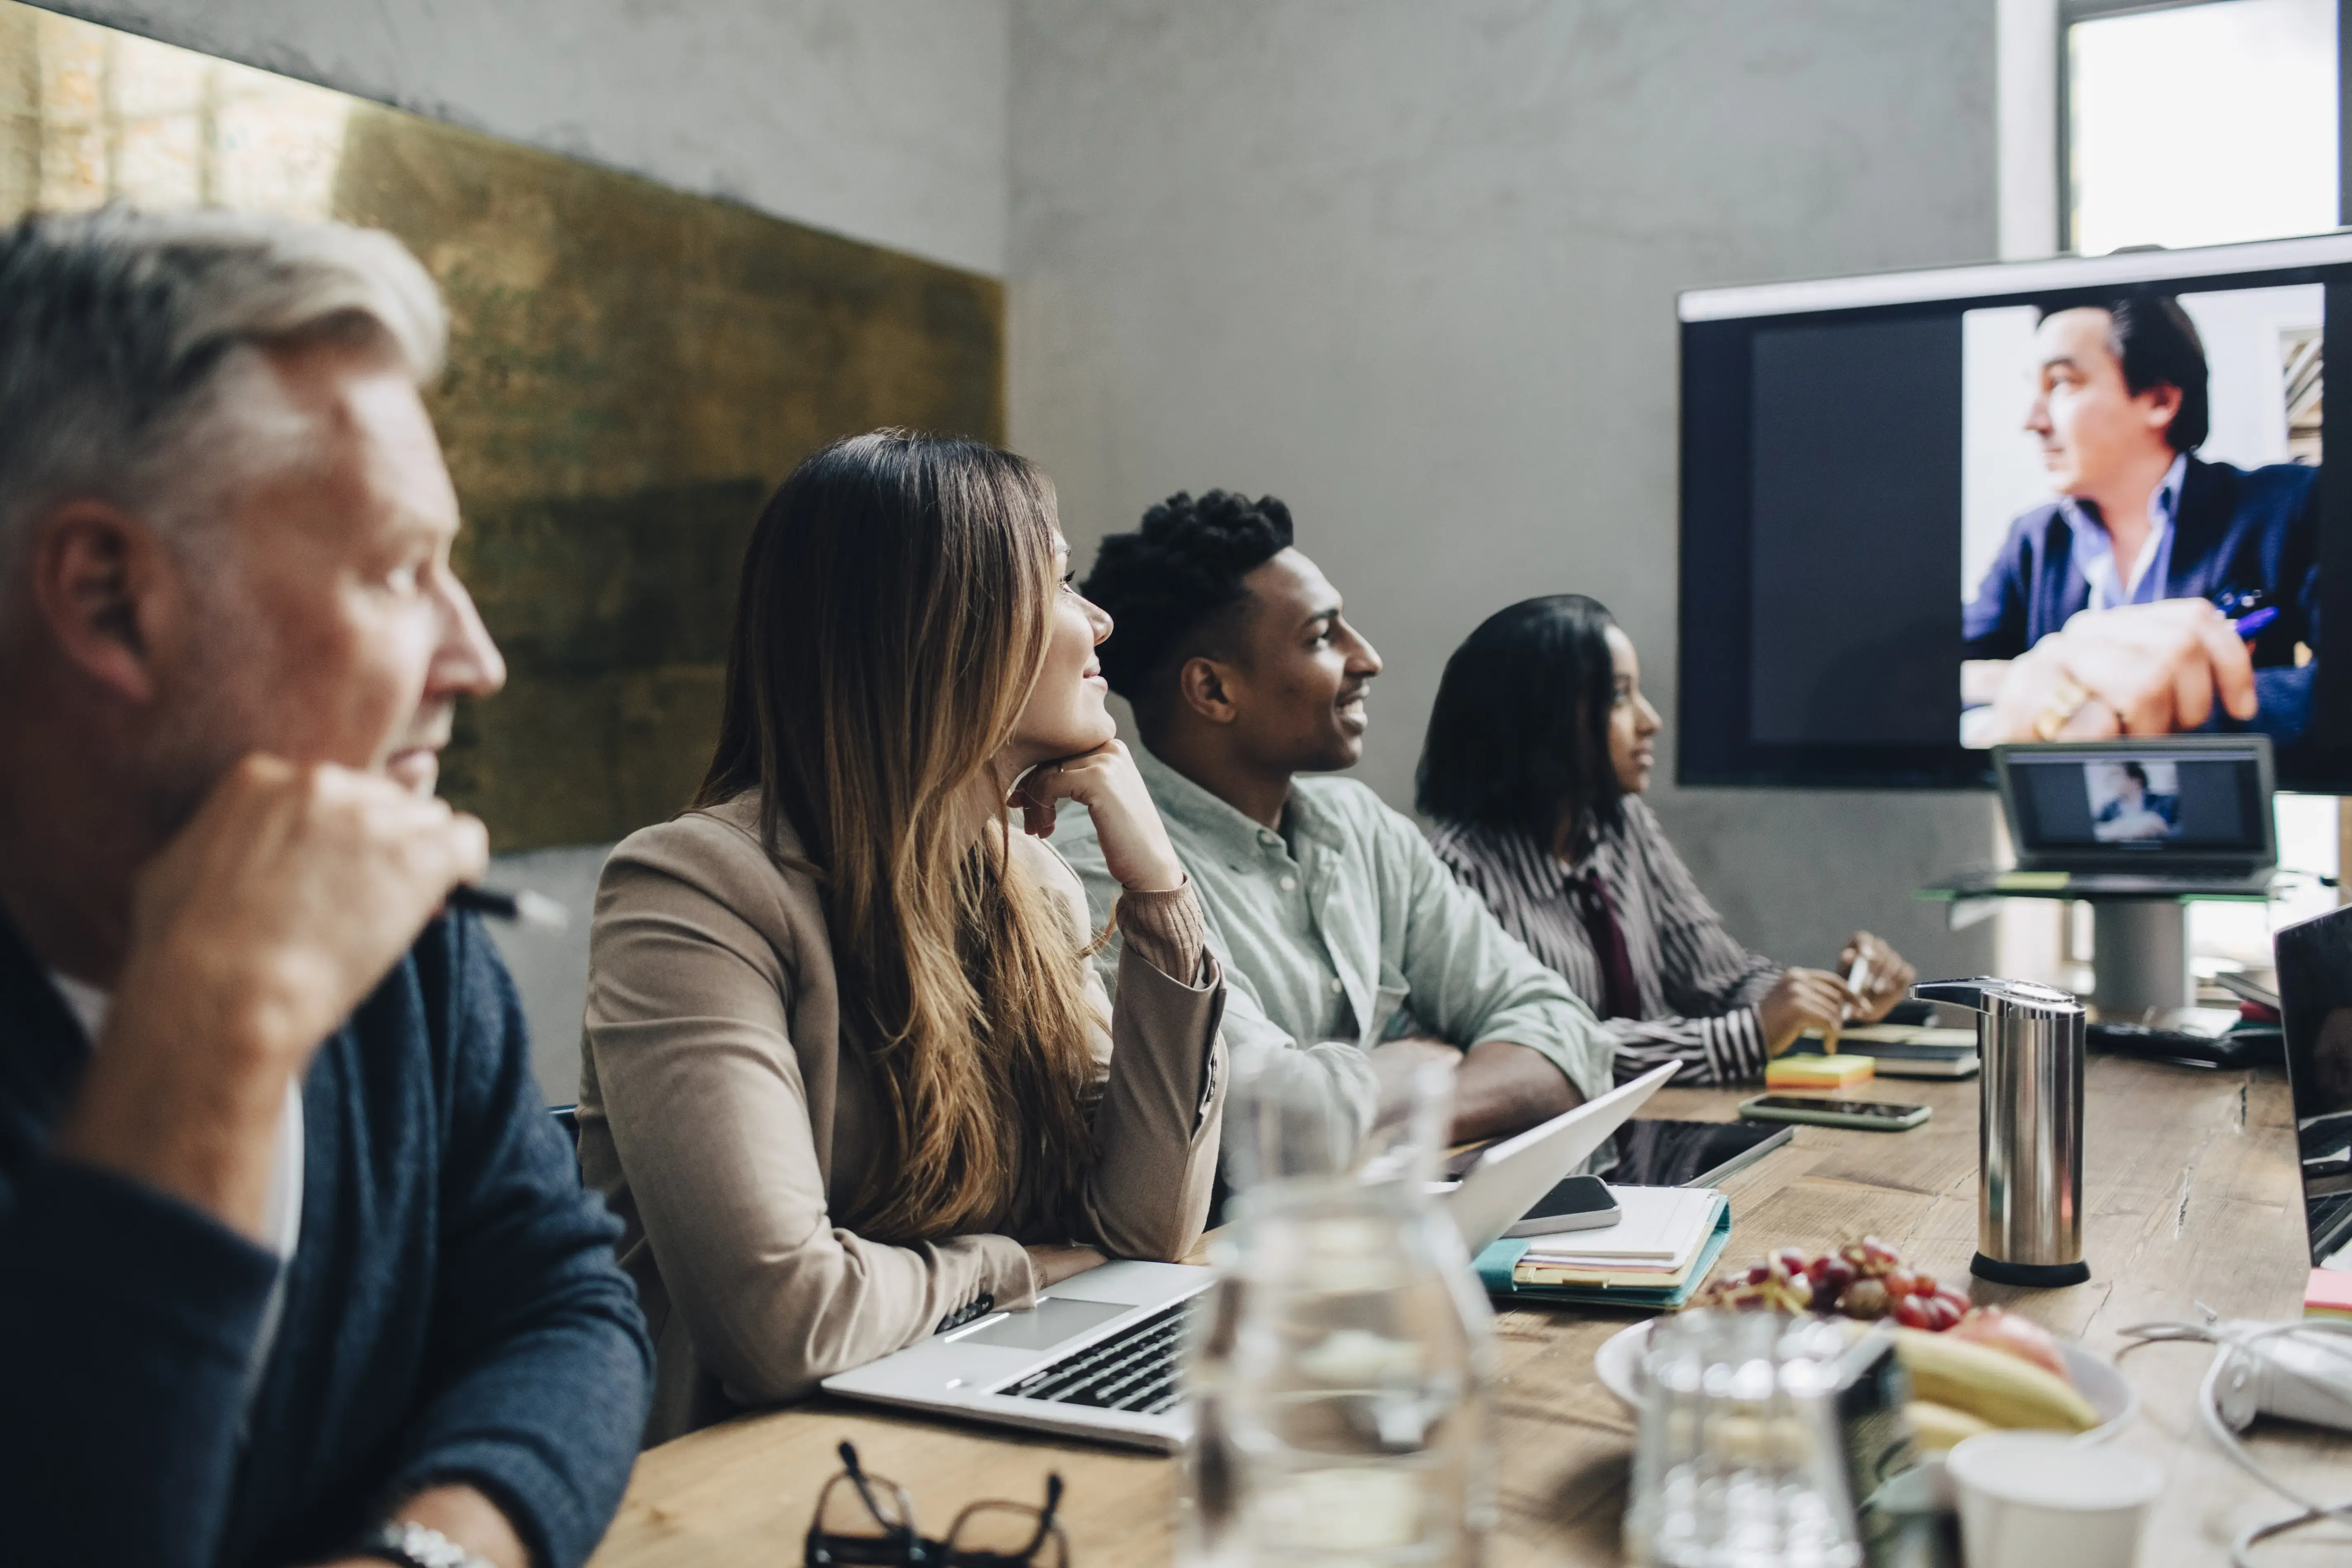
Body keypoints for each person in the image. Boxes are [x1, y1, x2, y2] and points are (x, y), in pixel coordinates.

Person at [0, 208, 650, 1568]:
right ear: (109, 596)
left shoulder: (398, 921)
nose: (474, 657)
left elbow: (558, 1304)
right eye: (401, 572)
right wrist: (217, 1038)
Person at [578, 432, 1226, 1440]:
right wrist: (1018, 1266)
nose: (1099, 619)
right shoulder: (694, 890)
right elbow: (782, 1319)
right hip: (754, 1477)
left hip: (960, 1412)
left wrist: (1158, 886)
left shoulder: (1032, 881)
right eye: (1059, 582)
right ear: (942, 629)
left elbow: (1147, 1228)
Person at [1052, 490, 1613, 1161]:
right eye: (1321, 638)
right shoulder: (1107, 863)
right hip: (1239, 1256)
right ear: (1214, 692)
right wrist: (1424, 1064)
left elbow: (1567, 1031)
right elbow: (1263, 1128)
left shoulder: (1364, 827)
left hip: (1398, 1223)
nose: (1368, 658)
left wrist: (1416, 1098)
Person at [1418, 595, 1917, 1084]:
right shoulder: (1455, 872)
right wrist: (1747, 1035)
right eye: (1619, 697)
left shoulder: (1623, 825)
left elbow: (1718, 982)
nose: (1650, 719)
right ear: (1537, 720)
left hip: (1661, 1130)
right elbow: (1546, 1051)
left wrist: (1826, 999)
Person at [1962, 294, 2319, 745]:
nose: (2031, 420)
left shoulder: (2288, 504)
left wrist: (2165, 706)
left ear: (2160, 400)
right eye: (2033, 388)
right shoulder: (2033, 539)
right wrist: (2041, 686)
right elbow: (1932, 675)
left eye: (2060, 384)